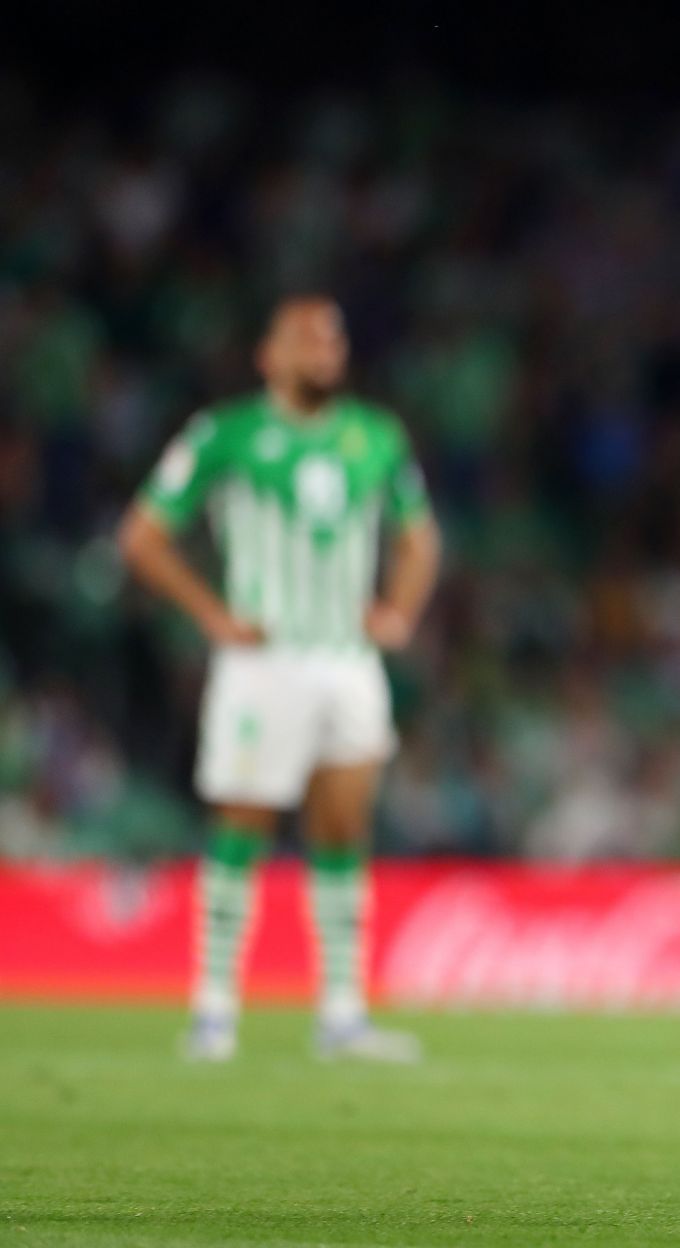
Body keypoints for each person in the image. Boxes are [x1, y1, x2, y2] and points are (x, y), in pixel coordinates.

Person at [118, 295, 440, 1064]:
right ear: (269, 356)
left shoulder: (377, 436)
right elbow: (143, 534)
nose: (324, 351)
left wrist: (398, 612)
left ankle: (341, 1014)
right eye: (305, 339)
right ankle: (214, 1010)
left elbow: (419, 536)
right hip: (264, 662)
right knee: (242, 826)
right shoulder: (225, 435)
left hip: (347, 662)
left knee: (342, 830)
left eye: (333, 339)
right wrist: (211, 614)